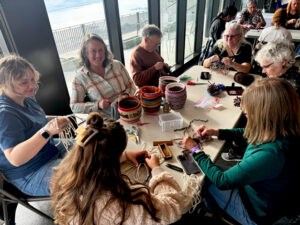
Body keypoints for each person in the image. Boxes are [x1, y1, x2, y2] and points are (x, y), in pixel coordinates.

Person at [183, 78, 300, 224]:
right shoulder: (282, 128)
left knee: (203, 180)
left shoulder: (271, 155)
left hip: (256, 213)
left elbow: (222, 181)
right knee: (212, 168)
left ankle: (210, 215)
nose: (247, 118)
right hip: (267, 195)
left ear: (263, 117)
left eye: (247, 114)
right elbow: (249, 131)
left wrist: (195, 150)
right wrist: (216, 132)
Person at [51, 112, 183, 225]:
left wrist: (124, 156)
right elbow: (173, 207)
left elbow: (96, 157)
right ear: (113, 158)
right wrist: (156, 169)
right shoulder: (126, 203)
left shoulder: (65, 178)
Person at [0, 55, 71, 196]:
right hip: (30, 171)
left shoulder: (26, 98)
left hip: (47, 149)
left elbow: (34, 120)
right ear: (5, 84)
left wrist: (56, 120)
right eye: (24, 82)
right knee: (86, 175)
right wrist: (47, 131)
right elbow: (15, 158)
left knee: (91, 147)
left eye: (32, 79)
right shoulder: (4, 114)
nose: (32, 85)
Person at [70, 33, 136, 120]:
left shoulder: (117, 65)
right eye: (93, 51)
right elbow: (74, 106)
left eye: (101, 50)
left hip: (129, 113)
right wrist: (98, 105)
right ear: (85, 53)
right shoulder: (80, 78)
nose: (98, 55)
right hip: (106, 123)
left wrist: (126, 95)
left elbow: (131, 85)